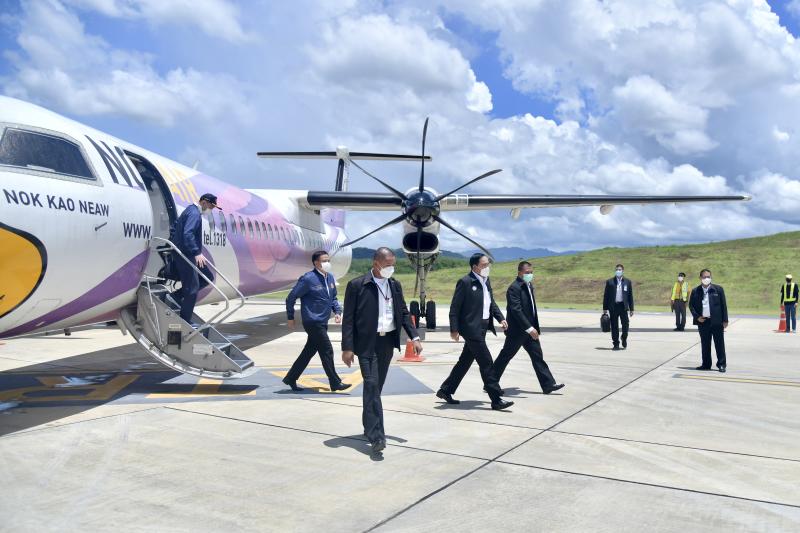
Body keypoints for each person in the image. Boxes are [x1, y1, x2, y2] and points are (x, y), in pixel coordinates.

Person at [341, 247, 422, 453]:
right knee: (371, 384)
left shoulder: (394, 285)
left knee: (374, 390)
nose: (391, 268)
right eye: (388, 265)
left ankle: (369, 426)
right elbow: (348, 319)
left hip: (386, 344)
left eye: (393, 264)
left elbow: (403, 312)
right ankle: (378, 437)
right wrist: (347, 347)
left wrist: (414, 337)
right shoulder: (358, 285)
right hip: (367, 344)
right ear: (376, 263)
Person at [436, 253, 514, 411]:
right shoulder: (465, 282)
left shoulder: (486, 281)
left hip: (483, 327)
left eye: (488, 264)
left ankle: (445, 390)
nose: (488, 267)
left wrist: (500, 318)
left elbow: (490, 302)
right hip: (471, 328)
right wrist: (454, 329)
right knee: (486, 362)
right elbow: (454, 308)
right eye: (484, 265)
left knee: (465, 361)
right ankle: (496, 398)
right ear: (475, 267)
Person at [491, 262, 564, 394]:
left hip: (530, 331)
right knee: (506, 356)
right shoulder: (514, 288)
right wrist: (529, 328)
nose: (530, 274)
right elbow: (516, 310)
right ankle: (490, 382)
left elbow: (531, 310)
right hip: (517, 331)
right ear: (520, 272)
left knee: (537, 357)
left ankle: (548, 384)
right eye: (527, 272)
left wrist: (533, 327)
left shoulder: (529, 285)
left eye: (531, 272)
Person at [283, 251, 350, 392]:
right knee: (327, 350)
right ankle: (335, 382)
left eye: (328, 260)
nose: (327, 263)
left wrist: (337, 312)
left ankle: (290, 378)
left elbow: (333, 298)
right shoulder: (308, 279)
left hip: (323, 321)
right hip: (312, 321)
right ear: (315, 263)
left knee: (309, 352)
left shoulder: (330, 278)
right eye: (324, 261)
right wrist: (290, 317)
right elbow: (290, 298)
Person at [171, 193, 219, 323]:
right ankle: (185, 320)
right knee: (192, 288)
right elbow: (188, 233)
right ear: (204, 202)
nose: (212, 209)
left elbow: (176, 227)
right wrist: (196, 252)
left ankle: (176, 296)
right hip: (186, 254)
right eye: (211, 206)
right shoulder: (194, 214)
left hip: (188, 253)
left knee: (207, 277)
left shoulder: (191, 211)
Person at [689, 269, 728, 372]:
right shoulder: (695, 291)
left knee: (719, 344)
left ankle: (721, 364)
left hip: (717, 322)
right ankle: (706, 364)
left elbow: (724, 306)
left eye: (708, 277)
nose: (707, 279)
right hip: (703, 322)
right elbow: (691, 306)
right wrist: (697, 317)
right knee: (705, 344)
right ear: (700, 278)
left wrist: (725, 320)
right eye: (705, 277)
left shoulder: (718, 289)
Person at [603, 263, 634, 350]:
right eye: (617, 269)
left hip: (623, 306)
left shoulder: (627, 282)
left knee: (625, 324)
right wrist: (605, 308)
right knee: (614, 326)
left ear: (623, 271)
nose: (618, 271)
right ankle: (616, 344)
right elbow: (606, 295)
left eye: (620, 269)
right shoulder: (610, 282)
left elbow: (630, 296)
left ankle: (624, 337)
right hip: (613, 306)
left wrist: (631, 309)